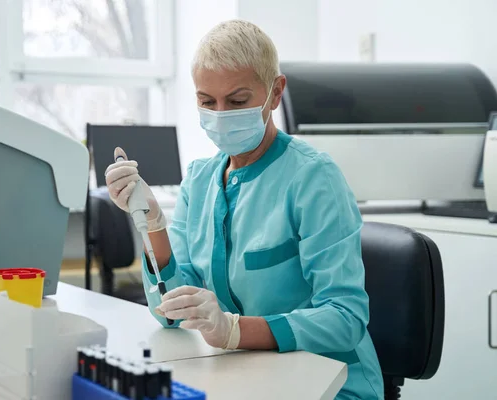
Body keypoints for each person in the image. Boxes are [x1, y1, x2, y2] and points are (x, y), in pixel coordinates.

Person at [105, 19, 383, 399]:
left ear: (275, 93)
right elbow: (169, 315)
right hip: (245, 376)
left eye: (237, 101)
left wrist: (236, 330)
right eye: (206, 101)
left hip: (330, 383)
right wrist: (152, 223)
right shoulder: (200, 179)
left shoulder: (313, 178)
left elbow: (345, 318)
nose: (220, 114)